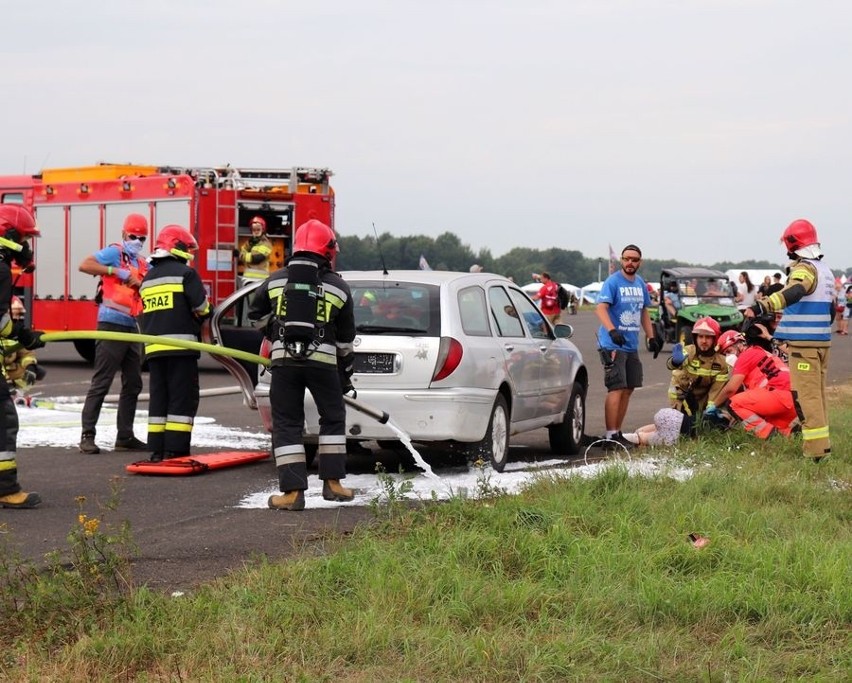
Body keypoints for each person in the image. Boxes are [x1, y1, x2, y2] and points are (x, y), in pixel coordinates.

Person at [249, 219, 356, 511]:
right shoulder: (339, 287)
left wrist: (275, 332)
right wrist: (344, 373)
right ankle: (333, 484)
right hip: (323, 366)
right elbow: (346, 341)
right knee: (332, 418)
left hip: (284, 363)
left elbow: (255, 315)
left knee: (287, 424)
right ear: (328, 251)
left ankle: (293, 493)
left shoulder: (274, 280)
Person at [747, 219, 835, 461]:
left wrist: (761, 306)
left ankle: (815, 454)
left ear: (792, 244)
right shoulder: (826, 271)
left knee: (806, 399)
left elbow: (795, 292)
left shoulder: (804, 268)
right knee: (817, 396)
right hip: (820, 344)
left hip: (805, 347)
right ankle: (822, 447)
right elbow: (830, 312)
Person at [77, 214, 149, 454]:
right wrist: (116, 271)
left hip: (131, 327)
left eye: (142, 237)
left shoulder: (141, 263)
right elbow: (85, 264)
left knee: (134, 383)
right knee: (102, 381)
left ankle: (125, 436)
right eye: (133, 236)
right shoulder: (114, 253)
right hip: (111, 325)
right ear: (124, 234)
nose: (137, 241)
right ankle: (87, 435)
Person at [138, 225, 211, 462]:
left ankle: (156, 450)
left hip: (154, 349)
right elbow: (201, 308)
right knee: (182, 398)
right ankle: (176, 450)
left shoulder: (147, 278)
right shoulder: (185, 274)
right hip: (182, 348)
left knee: (159, 398)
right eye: (187, 248)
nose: (189, 253)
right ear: (177, 246)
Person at [595, 244, 662, 448]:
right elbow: (600, 308)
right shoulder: (613, 282)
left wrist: (651, 337)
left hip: (631, 345)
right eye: (627, 259)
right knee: (616, 388)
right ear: (622, 260)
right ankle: (610, 435)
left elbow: (643, 312)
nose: (630, 263)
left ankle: (618, 432)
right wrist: (612, 330)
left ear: (640, 262)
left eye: (634, 259)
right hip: (612, 343)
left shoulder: (640, 283)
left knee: (629, 388)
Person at [0, 205, 44, 508]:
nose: (27, 247)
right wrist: (21, 334)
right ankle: (6, 489)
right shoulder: (1, 270)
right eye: (25, 238)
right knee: (3, 419)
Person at [707, 315, 799, 439]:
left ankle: (769, 435)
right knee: (780, 433)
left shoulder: (745, 356)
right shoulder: (760, 351)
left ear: (739, 344)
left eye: (728, 351)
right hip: (793, 399)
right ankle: (789, 434)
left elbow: (730, 389)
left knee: (734, 403)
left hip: (779, 396)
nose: (728, 357)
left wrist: (713, 405)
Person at [666, 317, 729, 416]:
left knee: (704, 423)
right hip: (680, 396)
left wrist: (711, 408)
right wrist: (674, 361)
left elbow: (716, 390)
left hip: (703, 398)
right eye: (700, 337)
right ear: (695, 338)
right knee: (681, 425)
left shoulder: (721, 362)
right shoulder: (688, 351)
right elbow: (670, 366)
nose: (703, 341)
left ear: (715, 339)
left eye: (708, 337)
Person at [3, 296, 46, 395]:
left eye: (19, 314)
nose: (16, 318)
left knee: (37, 371)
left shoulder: (16, 332)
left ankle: (16, 393)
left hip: (8, 369)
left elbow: (26, 353)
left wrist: (30, 366)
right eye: (14, 314)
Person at [622, 408, 696, 447]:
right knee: (642, 438)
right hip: (675, 428)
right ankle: (621, 439)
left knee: (643, 434)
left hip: (675, 416)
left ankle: (634, 435)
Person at [238, 215, 273, 282]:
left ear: (263, 230)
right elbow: (242, 251)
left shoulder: (266, 244)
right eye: (254, 230)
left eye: (258, 229)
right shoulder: (249, 242)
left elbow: (257, 259)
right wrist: (243, 255)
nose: (256, 231)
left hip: (261, 280)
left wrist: (242, 255)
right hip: (248, 279)